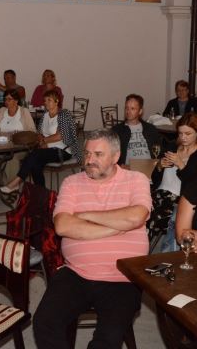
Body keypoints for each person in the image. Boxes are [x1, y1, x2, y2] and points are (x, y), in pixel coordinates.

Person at [33, 129, 151, 348]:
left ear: (116, 156)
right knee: (44, 323)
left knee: (108, 339)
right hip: (76, 273)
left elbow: (136, 216)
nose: (89, 160)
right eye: (87, 153)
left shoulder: (136, 180)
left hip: (123, 278)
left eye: (98, 154)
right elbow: (63, 226)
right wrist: (116, 228)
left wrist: (85, 215)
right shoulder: (71, 182)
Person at [1, 89, 81, 191]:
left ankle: (16, 182)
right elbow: (38, 133)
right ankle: (41, 193)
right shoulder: (45, 115)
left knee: (35, 154)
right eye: (45, 100)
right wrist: (41, 141)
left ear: (57, 101)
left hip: (62, 150)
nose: (46, 103)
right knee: (35, 163)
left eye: (49, 100)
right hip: (46, 149)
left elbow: (60, 136)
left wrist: (44, 141)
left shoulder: (64, 114)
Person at [151, 113, 197, 252]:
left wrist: (181, 165)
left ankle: (166, 256)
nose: (183, 137)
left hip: (181, 199)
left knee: (168, 218)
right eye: (180, 133)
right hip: (161, 194)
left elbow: (195, 185)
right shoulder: (171, 147)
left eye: (188, 133)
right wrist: (159, 167)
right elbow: (154, 179)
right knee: (144, 210)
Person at [0, 88, 37, 180]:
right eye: (5, 99)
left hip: (19, 147)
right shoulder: (1, 111)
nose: (6, 102)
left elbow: (32, 131)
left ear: (16, 101)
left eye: (9, 99)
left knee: (11, 158)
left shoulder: (24, 112)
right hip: (1, 146)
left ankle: (11, 186)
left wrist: (18, 136)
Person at [112, 94, 163, 166]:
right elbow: (111, 154)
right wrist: (119, 167)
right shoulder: (117, 130)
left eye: (132, 109)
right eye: (126, 108)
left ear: (140, 111)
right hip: (128, 169)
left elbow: (159, 151)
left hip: (148, 168)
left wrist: (159, 163)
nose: (128, 111)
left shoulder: (150, 129)